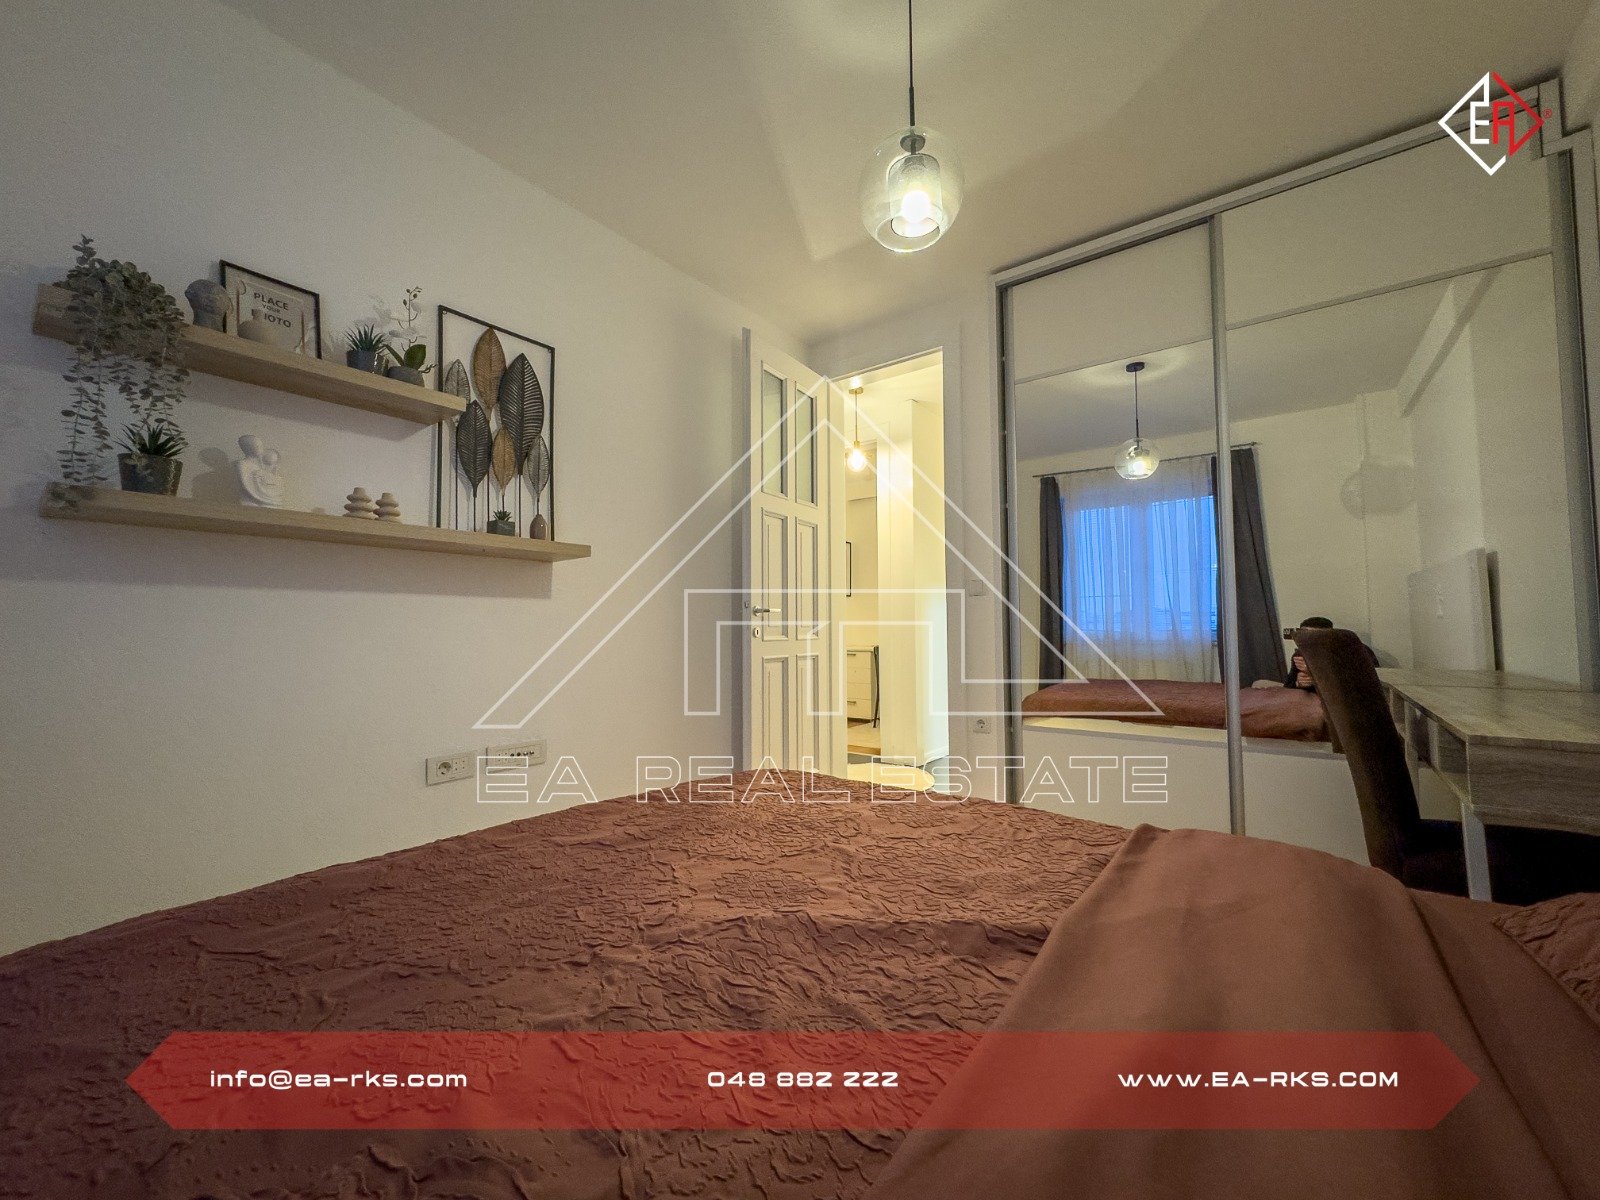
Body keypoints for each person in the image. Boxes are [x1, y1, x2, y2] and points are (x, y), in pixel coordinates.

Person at [1284, 617, 1377, 691]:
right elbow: (1288, 687)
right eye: (1304, 636)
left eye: (1315, 637)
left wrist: (1317, 673)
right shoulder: (1300, 654)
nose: (1309, 642)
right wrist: (1298, 683)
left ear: (1329, 636)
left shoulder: (1355, 651)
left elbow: (1368, 685)